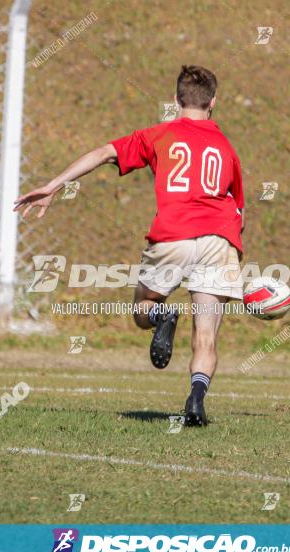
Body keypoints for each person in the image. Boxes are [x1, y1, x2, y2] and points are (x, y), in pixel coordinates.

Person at [14, 65, 245, 427]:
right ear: (213, 102)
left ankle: (160, 316)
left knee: (142, 309)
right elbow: (239, 210)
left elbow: (105, 152)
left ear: (175, 100)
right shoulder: (226, 148)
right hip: (219, 238)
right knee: (206, 335)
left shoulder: (160, 135)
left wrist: (53, 185)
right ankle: (196, 400)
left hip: (174, 234)